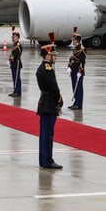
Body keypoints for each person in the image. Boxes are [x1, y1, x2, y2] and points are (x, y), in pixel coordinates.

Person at [36, 35, 63, 169]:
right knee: (48, 134)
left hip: (44, 102)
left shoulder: (41, 68)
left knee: (44, 134)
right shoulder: (47, 70)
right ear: (47, 56)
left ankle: (44, 160)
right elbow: (53, 88)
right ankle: (48, 161)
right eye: (53, 55)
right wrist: (59, 101)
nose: (55, 57)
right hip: (49, 103)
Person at [67, 32, 86, 110]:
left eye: (74, 40)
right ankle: (75, 102)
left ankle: (79, 104)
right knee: (74, 87)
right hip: (73, 71)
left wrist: (80, 72)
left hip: (78, 72)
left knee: (78, 89)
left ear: (77, 40)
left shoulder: (82, 49)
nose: (73, 41)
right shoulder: (75, 48)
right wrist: (69, 67)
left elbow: (82, 62)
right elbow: (72, 59)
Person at [8, 29, 23, 97]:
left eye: (14, 36)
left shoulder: (18, 45)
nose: (13, 38)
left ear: (17, 37)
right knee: (14, 78)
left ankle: (18, 92)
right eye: (12, 36)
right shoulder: (15, 44)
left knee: (17, 78)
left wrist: (12, 59)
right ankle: (15, 90)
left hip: (16, 63)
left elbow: (18, 54)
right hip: (13, 64)